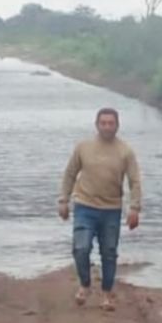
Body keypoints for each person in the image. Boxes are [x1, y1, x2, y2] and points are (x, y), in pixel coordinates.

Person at [58, 107, 142, 311]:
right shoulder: (83, 147)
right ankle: (85, 285)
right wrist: (63, 200)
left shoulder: (125, 151)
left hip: (111, 209)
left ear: (117, 125)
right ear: (97, 125)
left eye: (110, 123)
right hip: (84, 206)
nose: (107, 127)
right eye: (103, 123)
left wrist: (134, 208)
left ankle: (107, 293)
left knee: (109, 252)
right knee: (81, 248)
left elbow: (134, 181)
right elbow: (70, 174)